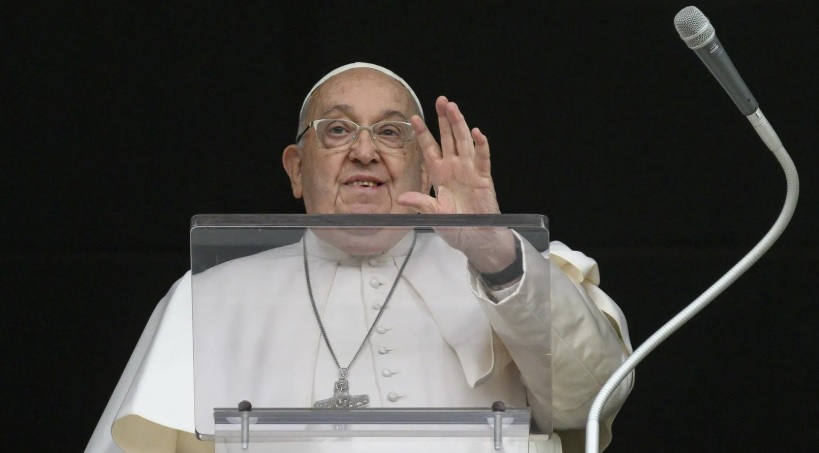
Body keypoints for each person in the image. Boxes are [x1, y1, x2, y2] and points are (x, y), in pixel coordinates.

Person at [86, 63, 634, 453]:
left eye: (391, 133)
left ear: (423, 167)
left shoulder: (509, 265)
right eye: (339, 130)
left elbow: (589, 403)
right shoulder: (208, 296)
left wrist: (494, 253)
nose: (365, 150)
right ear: (296, 169)